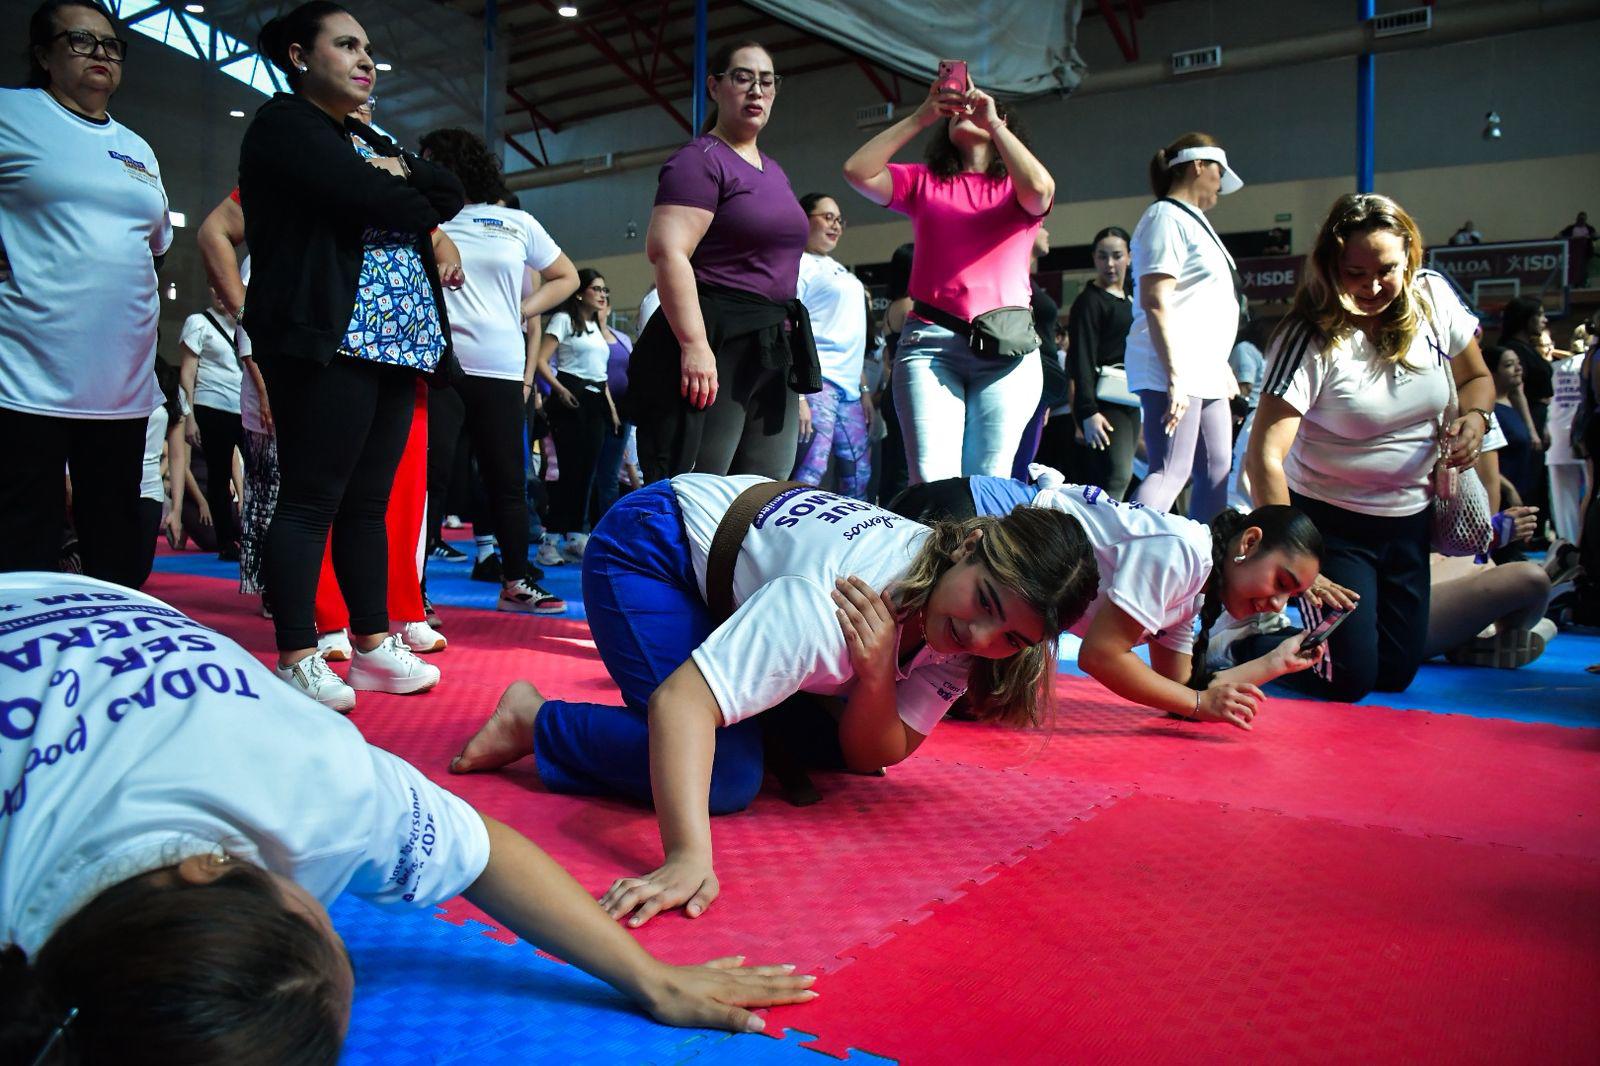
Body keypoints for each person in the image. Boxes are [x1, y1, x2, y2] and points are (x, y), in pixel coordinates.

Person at [0, 572, 818, 1065]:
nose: (331, 910)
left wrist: (649, 978)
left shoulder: (316, 781)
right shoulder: (306, 786)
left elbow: (480, 847)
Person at [450, 475, 1099, 926]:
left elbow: (877, 750)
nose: (978, 637)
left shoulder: (966, 627)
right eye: (983, 604)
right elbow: (683, 704)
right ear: (966, 546)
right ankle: (535, 719)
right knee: (727, 778)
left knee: (829, 753)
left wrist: (875, 676)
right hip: (653, 549)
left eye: (1012, 638)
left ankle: (753, 688)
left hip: (745, 571)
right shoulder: (837, 601)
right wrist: (686, 857)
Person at [239, 2, 466, 704]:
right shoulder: (288, 126)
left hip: (396, 341)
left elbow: (448, 192)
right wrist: (399, 179)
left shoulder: (368, 133)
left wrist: (400, 174)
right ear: (301, 57)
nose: (366, 60)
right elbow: (387, 200)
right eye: (346, 46)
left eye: (367, 48)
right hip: (325, 336)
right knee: (311, 499)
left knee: (368, 504)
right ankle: (298, 654)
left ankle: (372, 645)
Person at [1246, 192, 1495, 702]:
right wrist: (1293, 561)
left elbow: (1478, 378)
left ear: (1410, 257)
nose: (1373, 286)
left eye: (1387, 269)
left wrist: (1475, 417)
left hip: (1410, 517)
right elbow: (1265, 456)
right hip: (1331, 523)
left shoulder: (1432, 298)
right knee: (1351, 680)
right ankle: (1249, 644)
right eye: (1355, 272)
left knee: (1396, 673)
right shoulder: (1309, 336)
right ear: (1331, 267)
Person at [889, 470, 1326, 727]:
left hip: (997, 556)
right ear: (1249, 543)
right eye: (1281, 582)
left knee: (969, 695)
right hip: (965, 514)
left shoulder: (1193, 589)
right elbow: (1100, 656)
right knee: (881, 631)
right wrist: (1197, 702)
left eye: (1291, 596)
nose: (1277, 604)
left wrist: (1277, 663)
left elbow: (1178, 693)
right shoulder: (1182, 554)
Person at [0, 0, 171, 587]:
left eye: (111, 44)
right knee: (23, 551)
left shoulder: (139, 149)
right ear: (44, 55)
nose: (101, 53)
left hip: (121, 389)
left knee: (116, 562)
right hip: (25, 380)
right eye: (81, 40)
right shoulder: (11, 113)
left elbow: (154, 246)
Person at [843, 71, 1053, 485]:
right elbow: (857, 171)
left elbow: (1042, 191)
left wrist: (994, 122)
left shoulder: (1016, 187)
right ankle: (938, 551)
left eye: (983, 108)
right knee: (931, 480)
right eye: (957, 113)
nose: (968, 112)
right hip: (929, 345)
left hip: (1006, 349)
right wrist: (922, 115)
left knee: (988, 478)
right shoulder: (923, 180)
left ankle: (978, 551)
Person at [630, 41, 816, 483]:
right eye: (743, 77)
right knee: (698, 491)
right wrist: (695, 345)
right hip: (717, 338)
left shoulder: (772, 169)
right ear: (714, 86)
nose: (756, 91)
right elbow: (667, 251)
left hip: (772, 343)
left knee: (762, 492)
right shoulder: (699, 161)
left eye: (767, 81)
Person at [422, 127, 576, 612]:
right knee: (433, 480)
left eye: (432, 160)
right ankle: (410, 591)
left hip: (502, 368)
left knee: (507, 479)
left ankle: (516, 581)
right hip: (438, 366)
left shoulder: (516, 222)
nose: (424, 168)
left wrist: (523, 308)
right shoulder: (425, 220)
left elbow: (566, 276)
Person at [1125, 132, 1247, 523]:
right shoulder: (1165, 216)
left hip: (1202, 364)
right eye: (1218, 172)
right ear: (1198, 166)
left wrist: (1220, 363)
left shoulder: (1191, 221)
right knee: (1168, 471)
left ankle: (1204, 567)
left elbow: (1198, 303)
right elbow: (1156, 300)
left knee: (1216, 472)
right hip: (1175, 363)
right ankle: (1116, 556)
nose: (1220, 184)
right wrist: (1175, 374)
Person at [535, 270, 626, 569]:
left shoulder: (597, 328)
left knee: (587, 472)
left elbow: (600, 374)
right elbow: (540, 359)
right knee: (568, 471)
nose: (602, 295)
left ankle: (576, 534)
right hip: (571, 396)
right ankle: (549, 541)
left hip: (596, 399)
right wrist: (559, 390)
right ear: (579, 293)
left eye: (605, 290)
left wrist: (611, 410)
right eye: (596, 289)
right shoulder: (563, 320)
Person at [792, 193, 872, 500]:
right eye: (827, 217)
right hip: (817, 385)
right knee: (811, 471)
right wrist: (798, 395)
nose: (835, 225)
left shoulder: (837, 268)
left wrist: (863, 389)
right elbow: (789, 329)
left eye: (839, 220)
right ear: (804, 219)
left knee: (859, 474)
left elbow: (851, 333)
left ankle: (851, 538)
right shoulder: (797, 265)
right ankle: (791, 538)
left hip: (849, 391)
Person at [1062, 226, 1138, 500]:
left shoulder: (1132, 298)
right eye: (1102, 256)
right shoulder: (1089, 302)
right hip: (1103, 402)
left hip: (1132, 397)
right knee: (1115, 476)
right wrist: (1087, 411)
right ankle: (1100, 540)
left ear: (1129, 257)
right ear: (1094, 258)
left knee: (1126, 475)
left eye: (1117, 256)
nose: (1110, 264)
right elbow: (1080, 358)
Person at [177, 293, 246, 562]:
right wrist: (189, 416)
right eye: (214, 288)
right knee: (219, 474)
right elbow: (187, 372)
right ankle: (226, 543)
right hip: (211, 403)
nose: (219, 294)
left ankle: (250, 534)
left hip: (243, 406)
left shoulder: (242, 323)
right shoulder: (199, 322)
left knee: (253, 471)